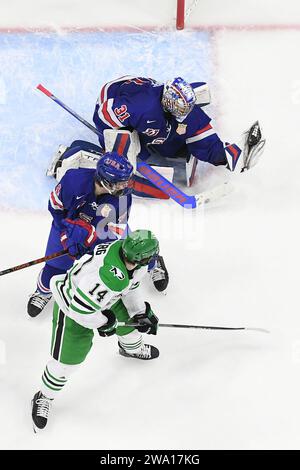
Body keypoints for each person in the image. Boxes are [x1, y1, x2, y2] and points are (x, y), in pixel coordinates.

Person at [31, 230, 160, 432]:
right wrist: (102, 323)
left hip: (106, 299)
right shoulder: (109, 276)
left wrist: (140, 312)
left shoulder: (128, 257)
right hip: (73, 306)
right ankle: (44, 396)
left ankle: (131, 349)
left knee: (132, 328)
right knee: (66, 363)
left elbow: (131, 286)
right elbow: (80, 309)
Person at [93, 75, 265, 191]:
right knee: (137, 145)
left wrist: (224, 156)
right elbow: (102, 115)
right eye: (181, 108)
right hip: (113, 96)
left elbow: (193, 125)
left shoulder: (178, 107)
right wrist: (115, 144)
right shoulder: (141, 107)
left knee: (186, 127)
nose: (185, 112)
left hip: (152, 103)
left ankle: (228, 156)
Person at [27, 147, 134, 318]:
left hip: (100, 232)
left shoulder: (123, 198)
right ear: (105, 181)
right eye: (120, 183)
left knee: (132, 250)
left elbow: (115, 230)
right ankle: (43, 292)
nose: (126, 186)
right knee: (56, 265)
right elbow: (55, 206)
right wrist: (64, 232)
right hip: (67, 226)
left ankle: (152, 263)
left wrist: (92, 237)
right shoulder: (73, 180)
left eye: (126, 181)